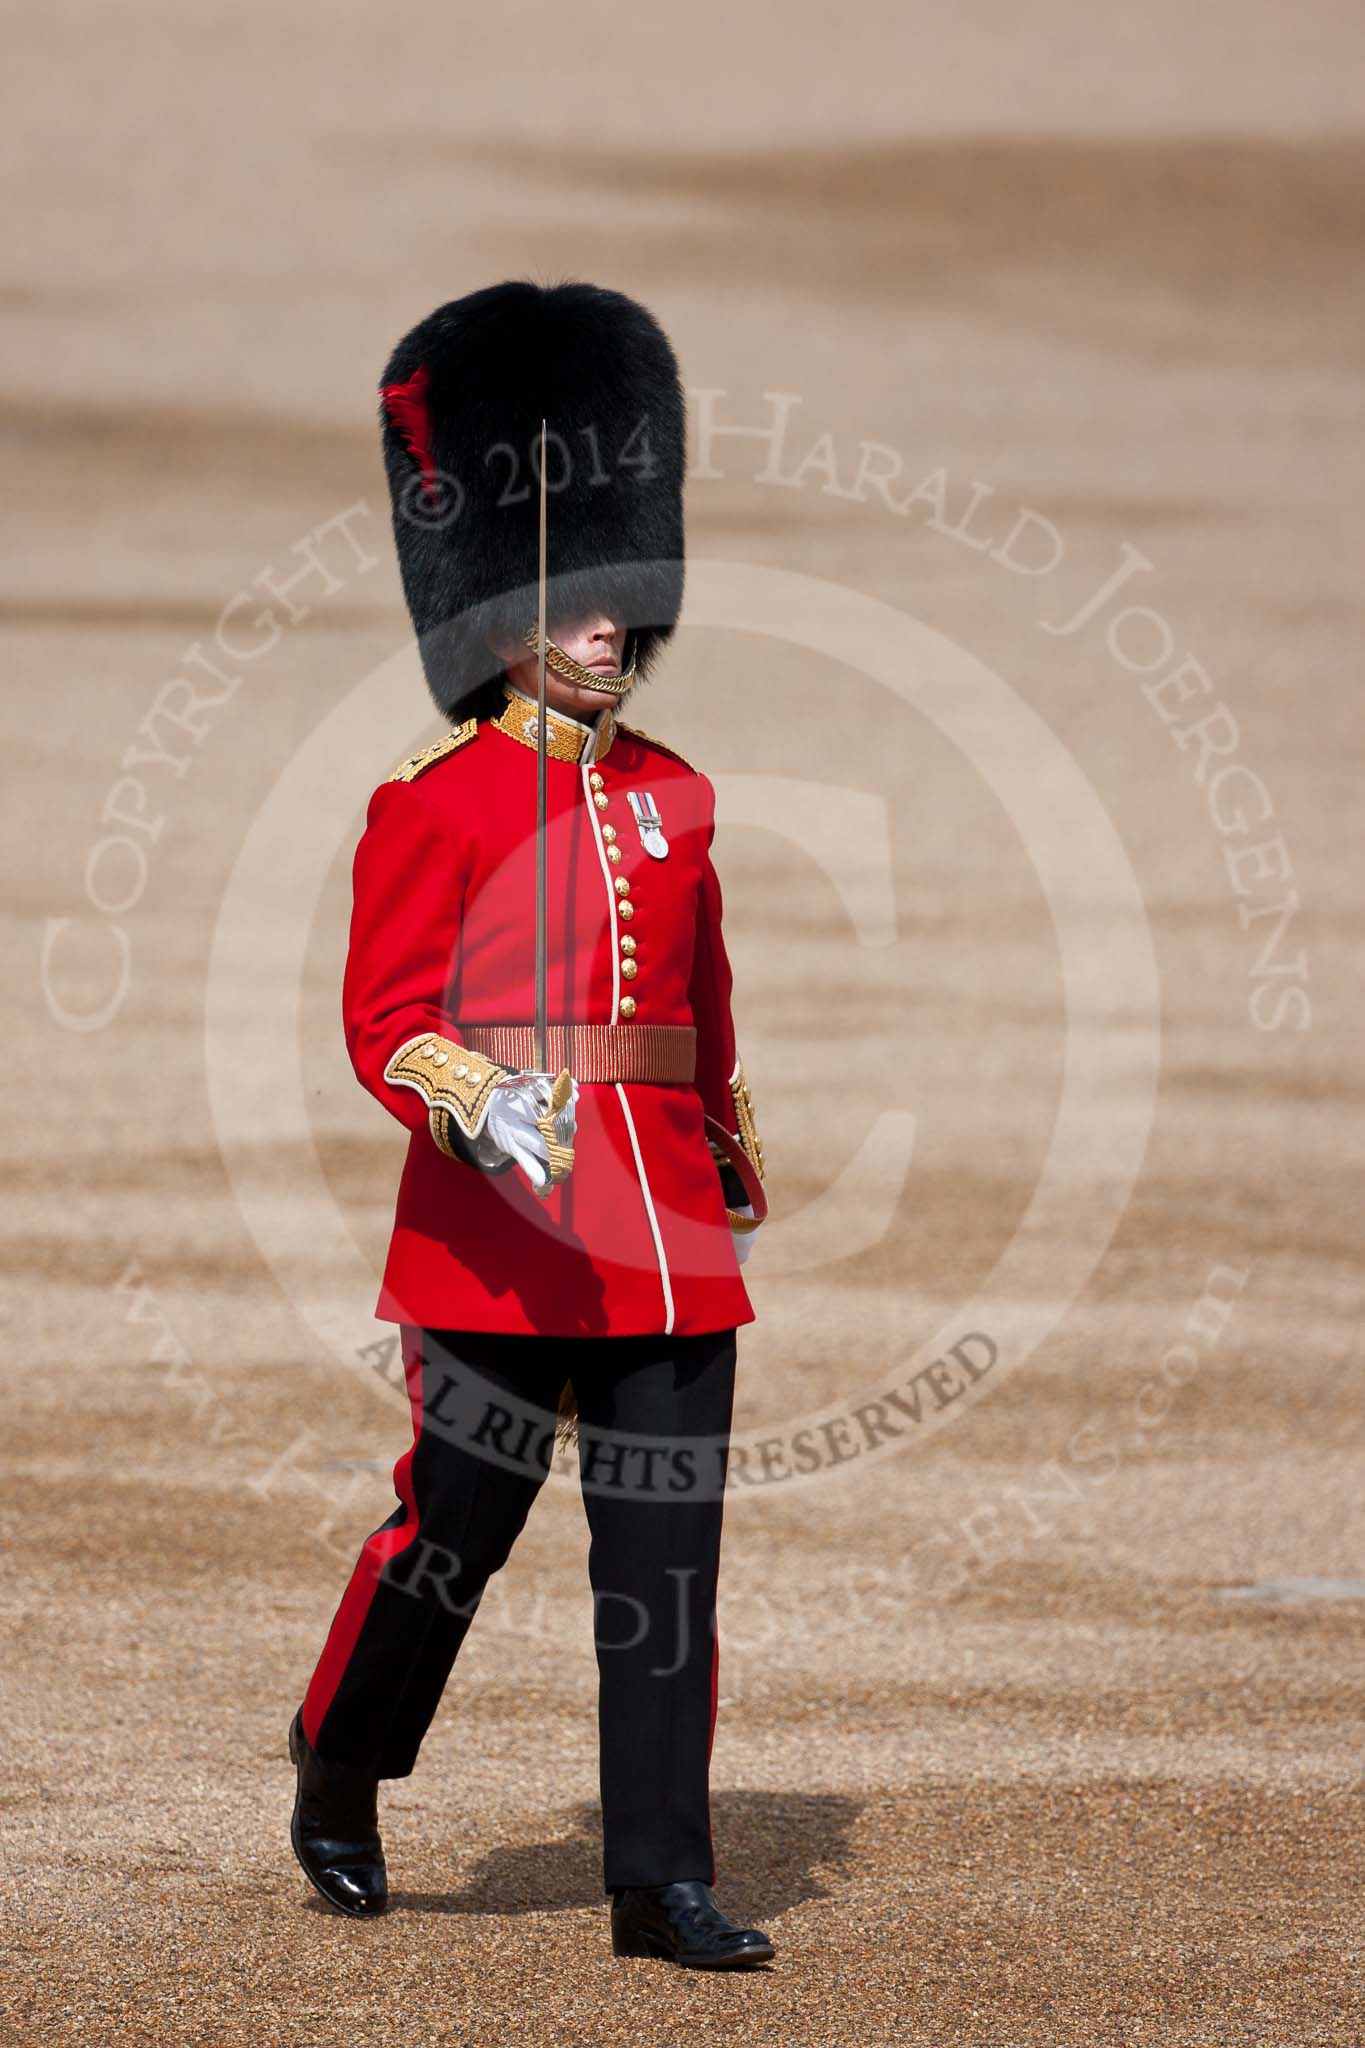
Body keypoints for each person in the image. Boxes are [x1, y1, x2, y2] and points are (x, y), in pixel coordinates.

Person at [287, 281, 775, 1969]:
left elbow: (696, 1003)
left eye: (617, 603)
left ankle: (660, 1879)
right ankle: (341, 1762)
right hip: (495, 1234)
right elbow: (384, 1022)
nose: (602, 631)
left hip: (665, 1239)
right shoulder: (432, 803)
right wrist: (482, 1101)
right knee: (449, 1542)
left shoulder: (677, 793)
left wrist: (722, 1152)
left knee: (666, 1580)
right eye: (569, 603)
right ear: (497, 615)